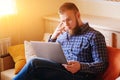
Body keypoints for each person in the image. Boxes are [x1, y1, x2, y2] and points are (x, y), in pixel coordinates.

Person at [13, 2, 108, 80]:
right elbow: (48, 56)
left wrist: (80, 66)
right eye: (62, 21)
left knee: (34, 63)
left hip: (81, 76)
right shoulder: (63, 35)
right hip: (62, 72)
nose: (66, 24)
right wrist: (53, 37)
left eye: (69, 20)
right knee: (35, 73)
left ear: (78, 15)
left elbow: (102, 65)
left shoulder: (94, 36)